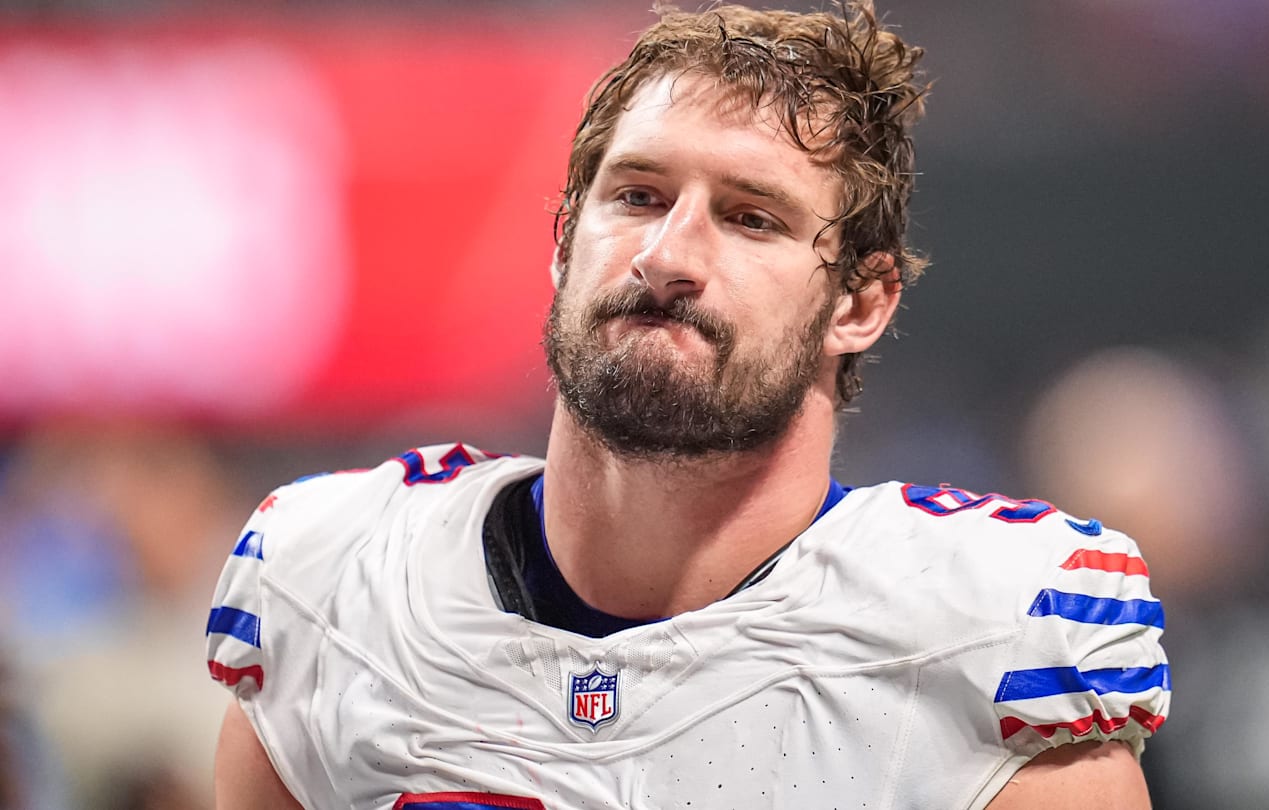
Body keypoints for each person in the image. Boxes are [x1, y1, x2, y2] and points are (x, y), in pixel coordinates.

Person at [207, 3, 1170, 808]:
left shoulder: (991, 636)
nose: (667, 256)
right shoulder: (335, 584)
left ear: (860, 302)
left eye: (752, 217)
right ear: (560, 245)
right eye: (636, 194)